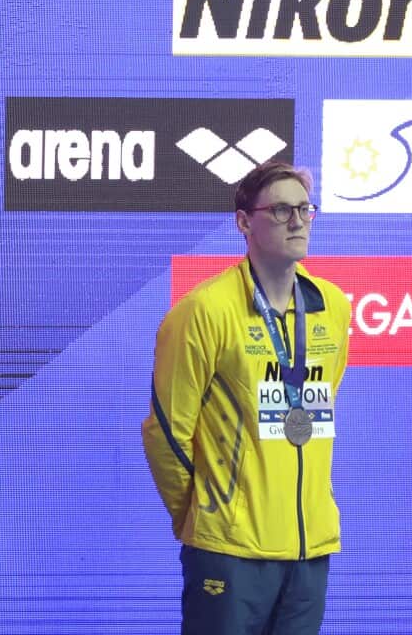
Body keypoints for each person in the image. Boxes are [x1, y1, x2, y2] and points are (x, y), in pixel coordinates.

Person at [142, 160, 352, 635]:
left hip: (310, 548)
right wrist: (204, 515)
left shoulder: (333, 308)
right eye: (280, 210)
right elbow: (166, 433)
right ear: (243, 222)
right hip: (230, 551)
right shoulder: (203, 312)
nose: (297, 221)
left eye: (304, 209)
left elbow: (319, 409)